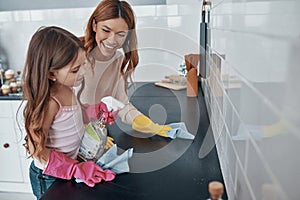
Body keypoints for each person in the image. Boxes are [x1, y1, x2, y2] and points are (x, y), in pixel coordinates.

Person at [21, 26, 115, 199]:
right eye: (75, 70)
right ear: (51, 73)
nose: (83, 72)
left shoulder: (66, 88)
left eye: (83, 65)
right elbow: (38, 151)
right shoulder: (50, 103)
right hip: (50, 176)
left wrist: (94, 111)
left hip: (69, 167)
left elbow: (72, 115)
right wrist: (74, 169)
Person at [77, 0, 172, 138]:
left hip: (96, 132)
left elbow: (121, 103)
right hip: (70, 137)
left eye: (120, 34)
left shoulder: (117, 59)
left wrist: (143, 123)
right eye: (106, 30)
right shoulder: (74, 56)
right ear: (94, 25)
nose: (112, 40)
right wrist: (85, 136)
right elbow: (62, 111)